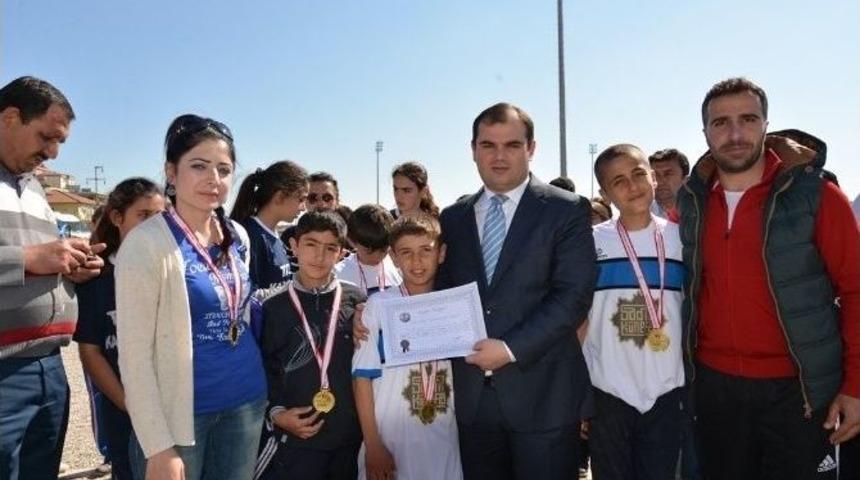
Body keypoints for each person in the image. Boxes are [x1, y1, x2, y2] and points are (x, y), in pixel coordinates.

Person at [677, 77, 860, 479]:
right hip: (715, 390)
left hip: (801, 393)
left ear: (766, 124)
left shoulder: (817, 196)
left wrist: (855, 387)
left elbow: (855, 291)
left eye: (748, 119)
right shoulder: (691, 203)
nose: (735, 133)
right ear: (705, 132)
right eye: (721, 123)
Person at [436, 102, 596, 479]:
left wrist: (509, 350)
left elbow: (572, 297)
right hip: (473, 402)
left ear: (531, 149)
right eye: (488, 145)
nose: (499, 155)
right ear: (473, 149)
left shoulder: (567, 210)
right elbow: (439, 293)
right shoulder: (453, 217)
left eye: (511, 144)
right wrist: (375, 311)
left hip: (544, 397)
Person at [115, 114, 267, 480]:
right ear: (171, 172)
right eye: (199, 166)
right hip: (179, 416)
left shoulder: (239, 237)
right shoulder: (146, 244)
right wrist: (157, 445)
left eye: (224, 169)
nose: (213, 179)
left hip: (245, 402)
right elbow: (134, 355)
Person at [0, 76, 106, 480]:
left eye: (61, 142)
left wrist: (71, 271)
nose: (53, 153)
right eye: (47, 137)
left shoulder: (36, 188)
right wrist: (29, 258)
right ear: (10, 117)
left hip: (49, 367)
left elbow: (40, 266)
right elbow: (30, 261)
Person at [582, 144, 685, 479]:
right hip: (609, 391)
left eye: (639, 174)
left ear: (652, 177)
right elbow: (578, 321)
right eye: (619, 181)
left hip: (667, 389)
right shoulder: (589, 243)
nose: (633, 186)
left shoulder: (680, 238)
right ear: (605, 193)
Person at [256, 211, 365, 480]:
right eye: (311, 244)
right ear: (293, 245)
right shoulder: (271, 306)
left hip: (350, 439)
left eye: (330, 248)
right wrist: (277, 414)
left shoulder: (357, 301)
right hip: (294, 440)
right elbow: (261, 370)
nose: (319, 256)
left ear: (342, 253)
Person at [353, 214, 462, 480]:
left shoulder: (456, 306)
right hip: (389, 445)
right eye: (406, 253)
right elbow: (362, 379)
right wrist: (373, 444)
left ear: (442, 253)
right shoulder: (379, 307)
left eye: (426, 250)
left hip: (443, 445)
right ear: (393, 257)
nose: (416, 262)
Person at [75, 177, 165, 480]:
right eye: (143, 216)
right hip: (124, 411)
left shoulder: (173, 271)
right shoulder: (96, 276)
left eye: (160, 217)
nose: (154, 226)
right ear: (116, 217)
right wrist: (131, 404)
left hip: (173, 407)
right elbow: (90, 351)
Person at [230, 160, 309, 289]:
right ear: (280, 197)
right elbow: (247, 294)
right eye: (300, 199)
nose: (303, 208)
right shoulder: (251, 237)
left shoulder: (274, 236)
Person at [335, 204, 402, 297]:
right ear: (351, 241)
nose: (377, 257)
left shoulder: (398, 267)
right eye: (369, 251)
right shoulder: (339, 274)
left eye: (383, 250)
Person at [648, 148, 689, 221]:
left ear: (685, 179)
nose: (660, 181)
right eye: (655, 175)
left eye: (668, 174)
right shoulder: (640, 215)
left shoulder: (701, 211)